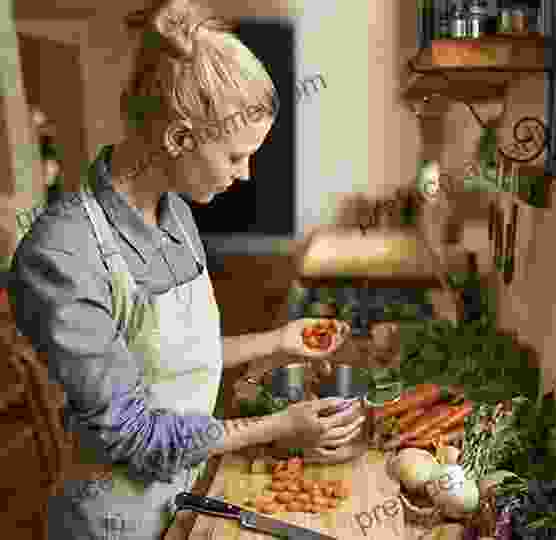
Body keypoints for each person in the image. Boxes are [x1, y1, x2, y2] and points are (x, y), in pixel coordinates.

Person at [9, 1, 364, 538]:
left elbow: (171, 361)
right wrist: (275, 428)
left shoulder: (175, 213)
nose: (245, 175)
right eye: (235, 156)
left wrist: (278, 341)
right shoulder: (63, 254)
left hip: (185, 499)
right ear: (178, 139)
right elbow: (132, 434)